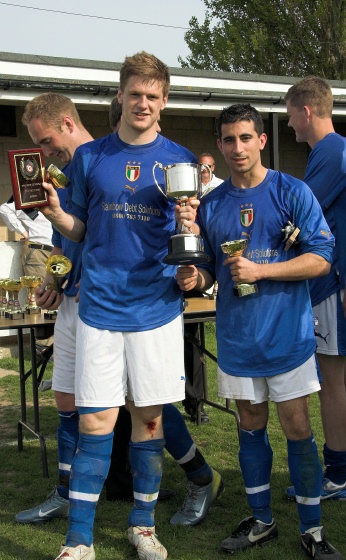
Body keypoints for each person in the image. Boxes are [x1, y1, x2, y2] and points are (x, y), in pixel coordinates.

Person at [34, 53, 223, 560]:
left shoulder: (180, 160)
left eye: (153, 96)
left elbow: (189, 237)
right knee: (96, 420)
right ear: (120, 95)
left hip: (156, 308)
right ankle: (79, 540)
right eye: (135, 94)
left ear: (164, 101)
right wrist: (56, 212)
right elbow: (79, 230)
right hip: (98, 306)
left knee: (150, 421)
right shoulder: (91, 157)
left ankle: (143, 527)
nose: (143, 104)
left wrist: (190, 228)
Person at [176, 103, 344, 559]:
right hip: (236, 337)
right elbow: (211, 271)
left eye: (246, 137)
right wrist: (198, 279)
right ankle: (261, 520)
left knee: (296, 426)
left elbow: (322, 258)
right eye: (228, 140)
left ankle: (312, 529)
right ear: (220, 145)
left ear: (262, 140)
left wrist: (262, 271)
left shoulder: (293, 191)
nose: (237, 148)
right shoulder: (210, 205)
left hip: (287, 336)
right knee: (249, 425)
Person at [284, 76, 346, 501]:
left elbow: (298, 222)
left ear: (306, 111)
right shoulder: (334, 151)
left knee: (334, 380)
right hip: (332, 282)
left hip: (333, 283)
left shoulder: (332, 153)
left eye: (289, 115)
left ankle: (338, 473)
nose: (289, 124)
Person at [183, 153, 223, 424]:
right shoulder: (173, 197)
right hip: (157, 278)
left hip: (193, 275)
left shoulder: (211, 197)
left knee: (191, 343)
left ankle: (195, 403)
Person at [0, 199, 53, 278]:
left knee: (63, 288)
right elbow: (5, 209)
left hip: (62, 251)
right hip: (38, 250)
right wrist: (23, 232)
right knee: (39, 289)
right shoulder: (33, 194)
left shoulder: (66, 193)